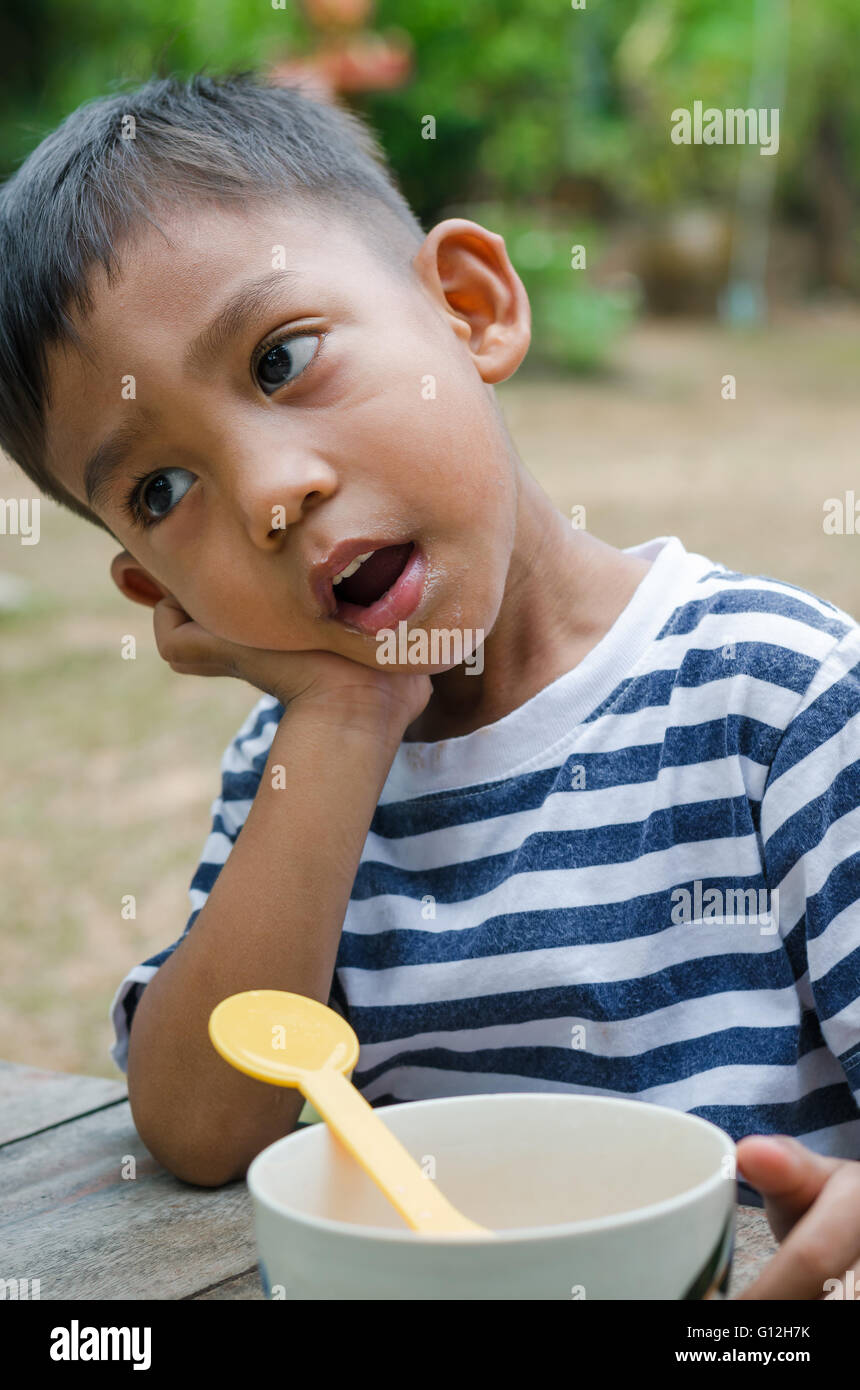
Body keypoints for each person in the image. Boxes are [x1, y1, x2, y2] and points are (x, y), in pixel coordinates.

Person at [1, 71, 858, 1301]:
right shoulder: (295, 769)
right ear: (157, 593)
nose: (265, 494)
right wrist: (349, 710)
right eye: (162, 494)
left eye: (281, 357)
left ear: (468, 310)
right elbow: (202, 1127)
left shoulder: (777, 703)